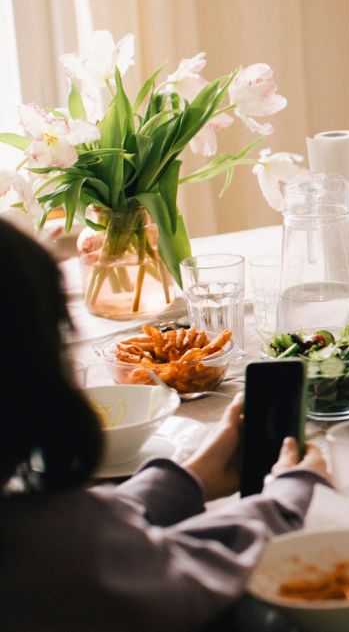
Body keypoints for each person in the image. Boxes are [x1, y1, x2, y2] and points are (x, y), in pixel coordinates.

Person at [0, 221, 331, 630]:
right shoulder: (50, 556)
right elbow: (185, 577)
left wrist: (186, 480)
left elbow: (92, 538)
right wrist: (287, 497)